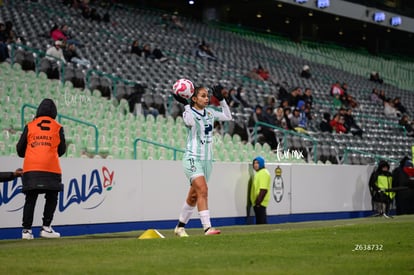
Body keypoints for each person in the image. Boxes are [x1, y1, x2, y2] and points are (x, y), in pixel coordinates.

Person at [172, 84, 232, 237]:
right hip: (192, 157)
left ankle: (179, 227)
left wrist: (222, 99)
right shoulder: (188, 113)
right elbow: (191, 123)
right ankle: (207, 228)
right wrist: (186, 105)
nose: (207, 99)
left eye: (207, 96)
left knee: (194, 195)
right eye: (203, 96)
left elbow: (228, 116)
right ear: (194, 98)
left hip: (207, 161)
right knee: (203, 190)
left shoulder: (210, 113)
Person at [16, 98, 66, 239]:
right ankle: (46, 228)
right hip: (51, 167)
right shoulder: (58, 127)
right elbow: (61, 150)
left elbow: (20, 150)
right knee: (52, 196)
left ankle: (26, 231)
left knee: (30, 198)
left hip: (31, 167)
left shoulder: (30, 125)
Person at [250, 156, 271, 224]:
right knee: (260, 221)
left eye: (257, 163)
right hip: (258, 202)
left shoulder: (263, 173)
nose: (255, 165)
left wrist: (258, 202)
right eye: (254, 163)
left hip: (260, 203)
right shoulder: (259, 173)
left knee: (261, 222)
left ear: (261, 163)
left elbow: (263, 189)